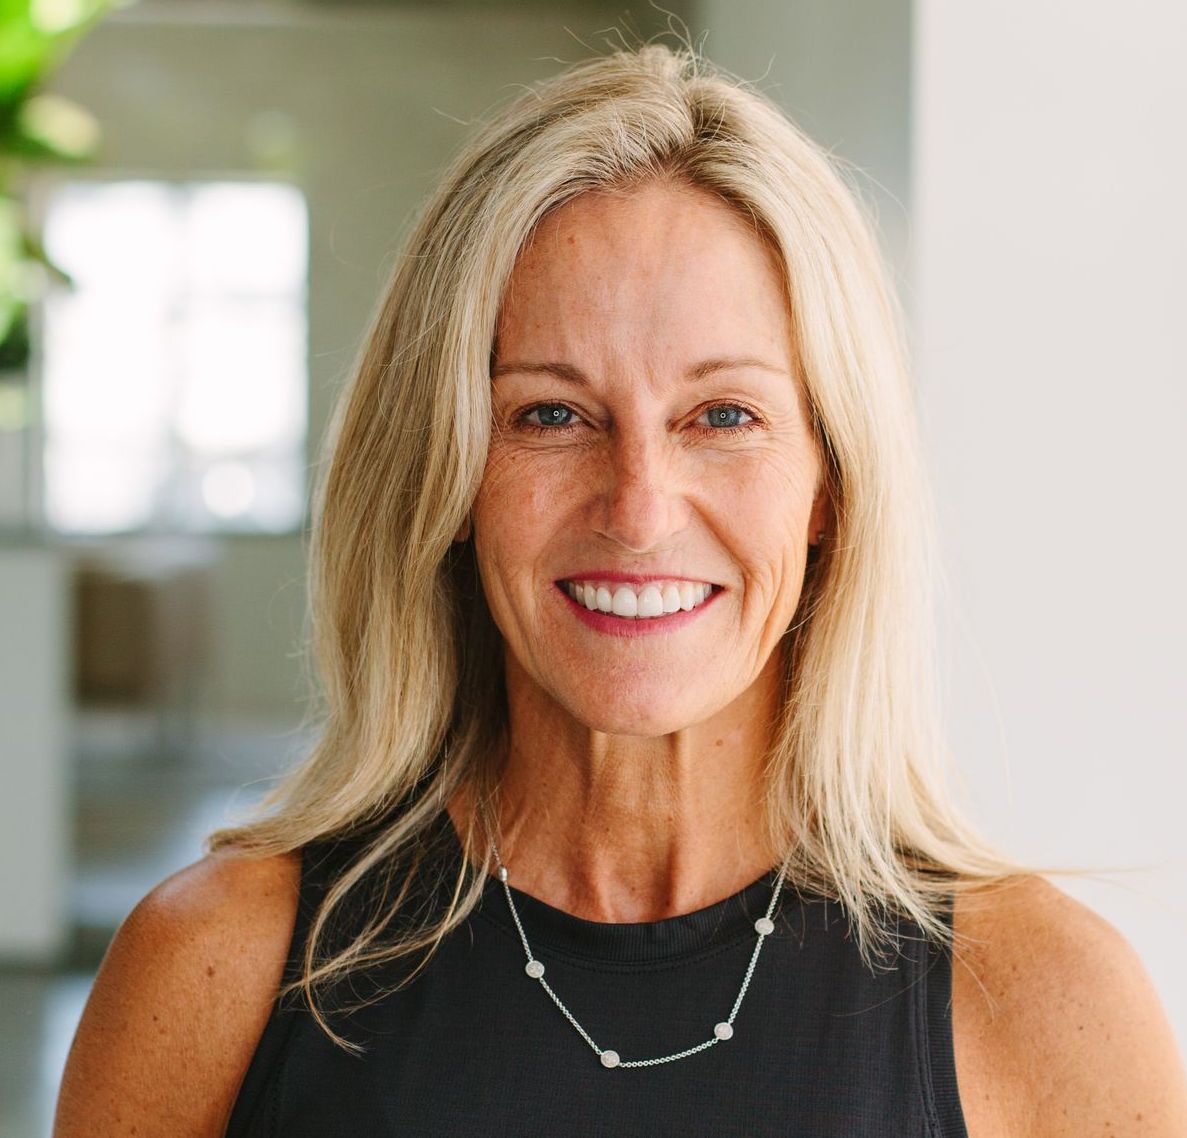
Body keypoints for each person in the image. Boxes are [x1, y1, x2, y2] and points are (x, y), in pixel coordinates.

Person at [54, 44, 1187, 1137]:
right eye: (549, 413)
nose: (638, 507)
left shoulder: (1043, 1002)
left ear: (828, 482)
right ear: (447, 472)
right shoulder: (216, 973)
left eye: (723, 416)